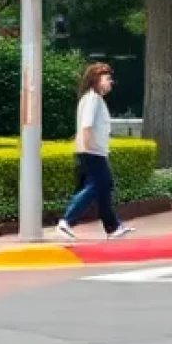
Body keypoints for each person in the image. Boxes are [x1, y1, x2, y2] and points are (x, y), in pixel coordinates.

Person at [56, 63, 131, 242]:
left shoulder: (93, 99)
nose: (110, 82)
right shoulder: (93, 99)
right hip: (92, 151)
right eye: (106, 79)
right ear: (95, 80)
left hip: (92, 151)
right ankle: (67, 220)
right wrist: (89, 147)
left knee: (103, 187)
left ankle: (112, 227)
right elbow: (87, 125)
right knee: (98, 185)